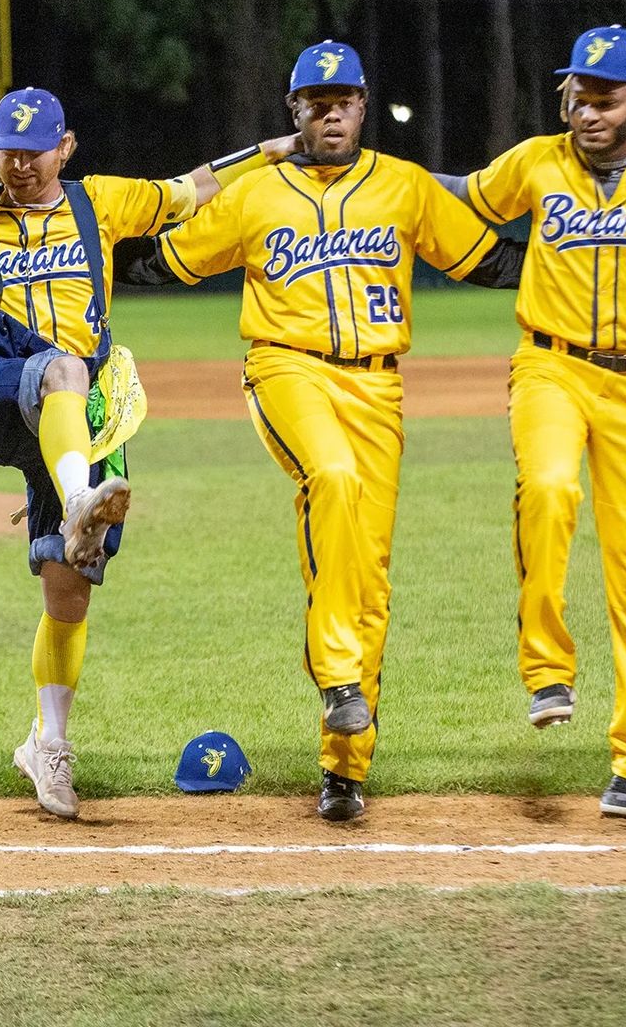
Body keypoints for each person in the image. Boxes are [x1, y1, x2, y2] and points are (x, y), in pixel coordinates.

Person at [120, 42, 524, 822]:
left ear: (364, 106)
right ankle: (338, 674)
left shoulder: (402, 187)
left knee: (367, 582)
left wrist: (591, 251)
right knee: (329, 475)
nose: (330, 111)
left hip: (378, 388)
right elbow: (165, 262)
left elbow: (488, 261)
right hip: (286, 371)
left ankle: (344, 768)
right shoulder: (257, 194)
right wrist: (85, 253)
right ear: (293, 112)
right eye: (315, 101)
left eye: (343, 99)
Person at [0, 86, 302, 818]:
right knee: (56, 369)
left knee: (71, 585)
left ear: (66, 147)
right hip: (18, 380)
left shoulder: (105, 204)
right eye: (5, 149)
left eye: (33, 150)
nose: (18, 164)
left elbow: (190, 190)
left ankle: (46, 743)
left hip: (87, 410)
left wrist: (273, 151)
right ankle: (75, 495)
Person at [436, 25, 626, 817]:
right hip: (551, 365)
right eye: (578, 97)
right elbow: (467, 195)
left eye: (604, 99)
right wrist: (393, 179)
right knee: (551, 489)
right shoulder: (536, 161)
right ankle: (547, 667)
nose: (587, 112)